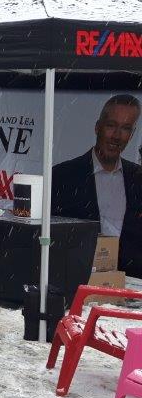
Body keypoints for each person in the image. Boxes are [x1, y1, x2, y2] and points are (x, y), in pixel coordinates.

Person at [53, 94, 142, 276]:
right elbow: (51, 237)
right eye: (111, 125)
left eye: (125, 128)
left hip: (130, 289)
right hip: (75, 283)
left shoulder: (139, 178)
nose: (117, 136)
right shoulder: (62, 175)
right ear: (97, 127)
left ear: (131, 134)